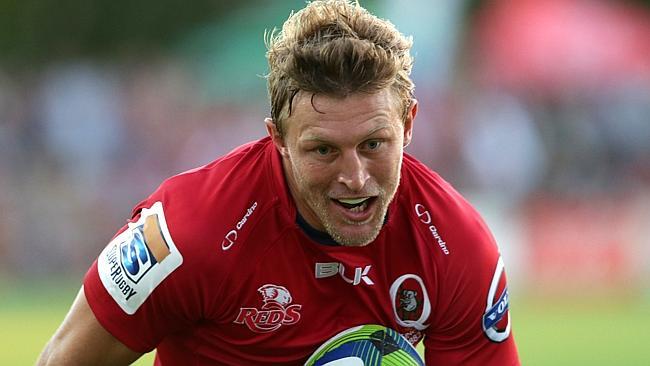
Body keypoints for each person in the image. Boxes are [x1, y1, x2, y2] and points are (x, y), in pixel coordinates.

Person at [38, 0, 520, 364]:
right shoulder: (186, 234)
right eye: (323, 150)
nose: (355, 178)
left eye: (374, 144)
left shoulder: (456, 246)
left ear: (409, 124)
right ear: (278, 138)